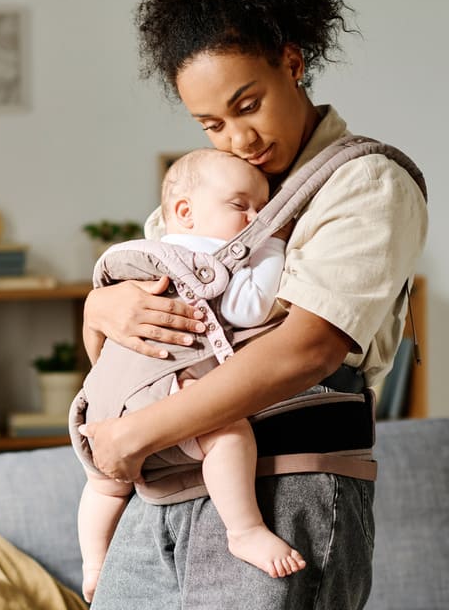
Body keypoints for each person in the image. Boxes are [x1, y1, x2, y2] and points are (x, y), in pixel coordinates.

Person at [77, 0, 428, 609]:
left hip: (286, 485)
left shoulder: (366, 182)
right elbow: (129, 329)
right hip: (163, 489)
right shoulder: (204, 193)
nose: (239, 139)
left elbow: (310, 346)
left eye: (247, 105)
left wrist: (134, 436)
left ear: (292, 63)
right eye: (211, 124)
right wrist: (100, 310)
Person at [77, 148, 301, 602]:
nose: (255, 219)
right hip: (165, 389)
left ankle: (94, 562)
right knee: (230, 433)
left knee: (103, 487)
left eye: (262, 209)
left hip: (98, 402)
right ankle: (246, 529)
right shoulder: (210, 262)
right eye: (242, 206)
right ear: (184, 212)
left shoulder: (136, 258)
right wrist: (274, 243)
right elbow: (249, 306)